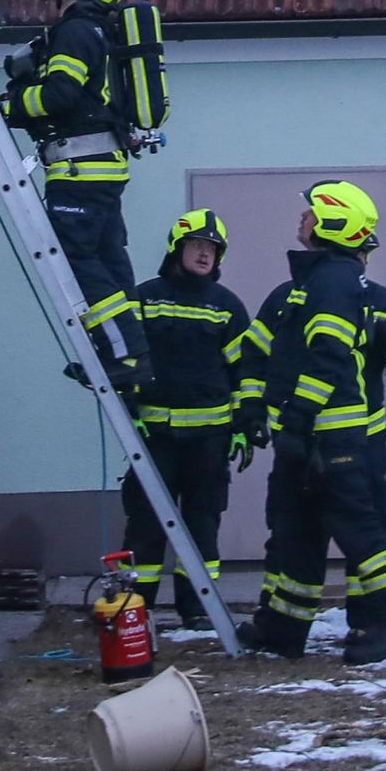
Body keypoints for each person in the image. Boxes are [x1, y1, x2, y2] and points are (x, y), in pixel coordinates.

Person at [245, 181, 386, 664]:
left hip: (347, 443)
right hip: (303, 440)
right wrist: (251, 410)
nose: (302, 218)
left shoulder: (353, 291)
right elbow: (253, 354)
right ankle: (283, 627)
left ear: (333, 224)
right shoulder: (293, 295)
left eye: (311, 211)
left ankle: (382, 626)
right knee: (293, 534)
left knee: (362, 536)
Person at [5, 0, 149, 385]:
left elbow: (59, 96)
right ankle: (132, 355)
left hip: (78, 170)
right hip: (102, 168)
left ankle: (120, 353)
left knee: (75, 260)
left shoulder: (75, 31)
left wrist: (11, 105)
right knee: (109, 262)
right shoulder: (100, 32)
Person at [121, 210, 257, 629]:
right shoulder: (145, 299)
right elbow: (124, 362)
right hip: (155, 437)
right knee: (145, 524)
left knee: (202, 524)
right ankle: (134, 608)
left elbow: (245, 372)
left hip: (209, 441)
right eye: (197, 245)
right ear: (177, 248)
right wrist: (129, 413)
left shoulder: (227, 306)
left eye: (212, 248)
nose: (204, 254)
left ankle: (197, 609)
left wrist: (244, 426)